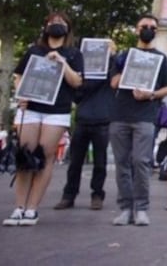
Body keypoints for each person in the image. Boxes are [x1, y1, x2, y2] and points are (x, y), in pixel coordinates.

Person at [3, 11, 84, 227]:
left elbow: (76, 81)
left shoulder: (74, 54)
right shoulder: (34, 51)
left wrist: (62, 62)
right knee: (26, 157)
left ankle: (32, 209)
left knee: (46, 157)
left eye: (61, 22)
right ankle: (19, 207)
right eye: (53, 22)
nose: (57, 25)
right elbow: (18, 76)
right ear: (46, 26)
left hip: (57, 110)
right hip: (31, 108)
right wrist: (20, 94)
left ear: (68, 28)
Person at [109, 14, 167, 226]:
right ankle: (126, 208)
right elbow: (113, 82)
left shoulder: (161, 59)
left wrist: (151, 95)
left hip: (146, 116)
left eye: (152, 27)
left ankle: (142, 208)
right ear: (136, 30)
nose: (148, 29)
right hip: (120, 114)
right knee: (122, 164)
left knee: (141, 162)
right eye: (144, 26)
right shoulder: (123, 55)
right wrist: (127, 69)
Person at [54, 45, 116, 210]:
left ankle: (95, 194)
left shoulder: (111, 69)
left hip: (101, 120)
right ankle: (70, 194)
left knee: (99, 162)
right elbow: (76, 91)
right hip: (85, 119)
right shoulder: (81, 72)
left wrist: (111, 57)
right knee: (75, 162)